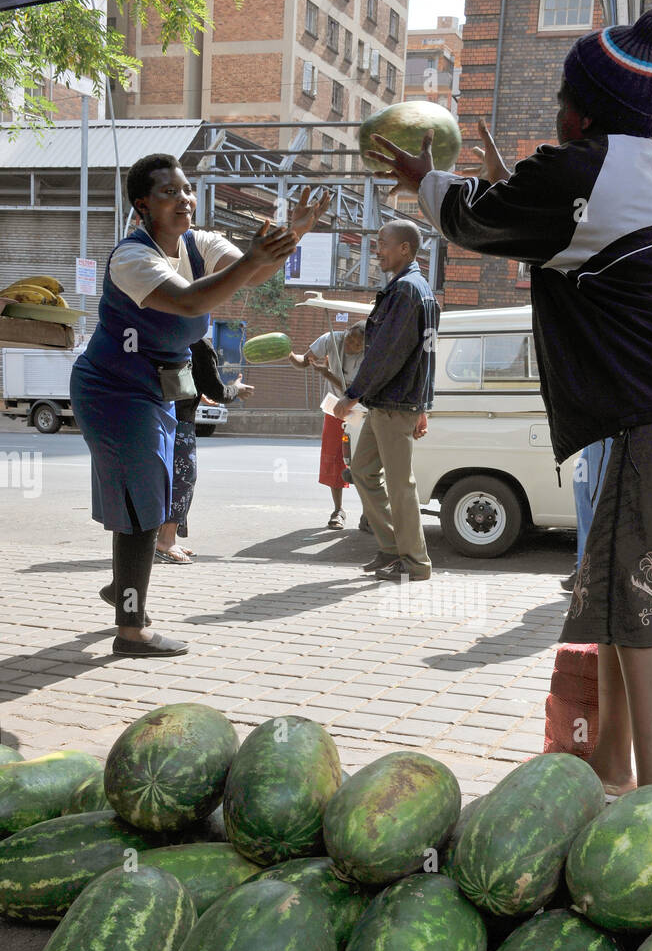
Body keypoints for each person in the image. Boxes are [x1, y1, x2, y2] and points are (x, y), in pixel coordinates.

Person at [367, 9, 652, 789]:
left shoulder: (577, 169)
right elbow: (563, 230)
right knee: (613, 602)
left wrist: (427, 182)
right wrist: (503, 186)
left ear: (578, 107)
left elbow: (475, 223)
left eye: (559, 93)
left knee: (643, 618)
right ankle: (608, 775)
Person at [69, 154, 329, 656]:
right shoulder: (131, 258)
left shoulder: (200, 242)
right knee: (143, 509)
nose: (184, 199)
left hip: (156, 390)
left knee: (151, 499)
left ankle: (124, 589)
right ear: (142, 205)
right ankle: (130, 628)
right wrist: (260, 255)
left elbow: (250, 277)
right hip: (112, 391)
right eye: (169, 192)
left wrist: (288, 238)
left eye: (187, 189)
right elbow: (189, 302)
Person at [332, 221, 439, 582]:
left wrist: (352, 394)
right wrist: (423, 406)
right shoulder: (414, 289)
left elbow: (386, 354)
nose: (378, 250)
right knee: (361, 471)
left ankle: (414, 562)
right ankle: (392, 549)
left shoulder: (408, 291)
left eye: (383, 244)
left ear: (406, 249)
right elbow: (424, 356)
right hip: (392, 402)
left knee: (400, 485)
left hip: (394, 403)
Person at [157, 335, 254, 563]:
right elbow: (217, 391)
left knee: (161, 480)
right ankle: (165, 541)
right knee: (182, 479)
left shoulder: (162, 334)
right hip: (179, 423)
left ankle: (161, 538)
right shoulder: (198, 343)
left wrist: (198, 393)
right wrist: (236, 388)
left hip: (154, 417)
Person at [289, 321, 366, 529]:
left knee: (364, 461)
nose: (352, 344)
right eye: (350, 338)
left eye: (358, 344)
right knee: (333, 458)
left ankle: (369, 513)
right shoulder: (331, 339)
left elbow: (355, 389)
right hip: (334, 408)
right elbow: (304, 361)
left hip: (359, 409)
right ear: (346, 332)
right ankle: (338, 510)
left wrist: (327, 373)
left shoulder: (371, 353)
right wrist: (288, 354)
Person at [562, 440, 612, 592]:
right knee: (582, 489)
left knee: (599, 499)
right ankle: (585, 568)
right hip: (594, 437)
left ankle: (594, 572)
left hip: (608, 432)